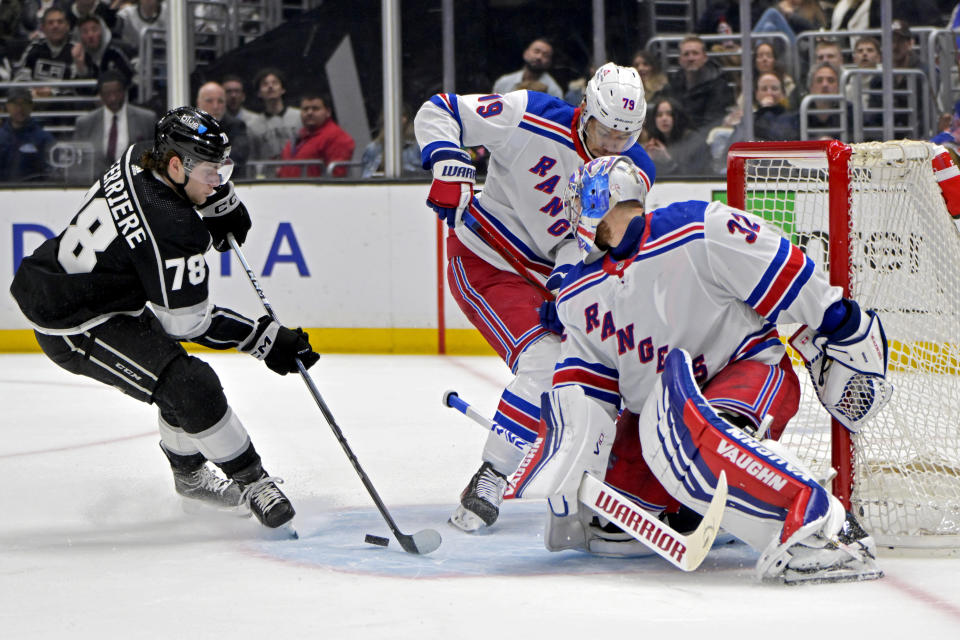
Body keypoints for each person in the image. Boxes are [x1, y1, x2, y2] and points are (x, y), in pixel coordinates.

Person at [517, 155, 888, 583]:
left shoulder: (696, 228)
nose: (574, 213)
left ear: (600, 200)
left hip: (743, 371)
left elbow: (779, 267)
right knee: (608, 524)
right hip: (657, 414)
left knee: (701, 436)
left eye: (579, 203)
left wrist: (837, 318)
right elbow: (588, 391)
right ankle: (711, 510)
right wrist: (569, 454)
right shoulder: (578, 294)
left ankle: (828, 530)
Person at [8, 106, 319, 532]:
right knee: (189, 382)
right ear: (176, 164)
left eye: (222, 169)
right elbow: (186, 324)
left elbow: (178, 196)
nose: (218, 180)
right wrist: (264, 338)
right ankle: (253, 481)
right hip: (75, 324)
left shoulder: (140, 155)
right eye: (211, 172)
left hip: (82, 289)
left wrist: (219, 203)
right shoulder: (173, 229)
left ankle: (190, 477)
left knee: (177, 378)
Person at [414, 62, 656, 532]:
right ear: (585, 109)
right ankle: (490, 476)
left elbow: (597, 237)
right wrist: (446, 159)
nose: (610, 146)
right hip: (487, 259)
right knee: (545, 360)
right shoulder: (529, 112)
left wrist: (571, 283)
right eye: (604, 131)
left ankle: (618, 475)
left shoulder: (634, 170)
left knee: (613, 370)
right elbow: (438, 110)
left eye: (623, 138)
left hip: (550, 278)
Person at [73, 69, 155, 175]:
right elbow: (78, 161)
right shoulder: (85, 123)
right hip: (97, 183)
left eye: (117, 92)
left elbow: (154, 157)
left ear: (125, 92)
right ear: (101, 95)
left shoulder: (146, 119)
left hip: (135, 182)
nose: (113, 98)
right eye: (107, 94)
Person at [277, 92, 355, 178]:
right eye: (305, 109)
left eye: (315, 109)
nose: (309, 112)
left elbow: (337, 177)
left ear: (328, 112)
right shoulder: (298, 137)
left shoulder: (338, 138)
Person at [667, 35, 735, 133]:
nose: (691, 58)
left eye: (695, 53)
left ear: (705, 57)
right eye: (686, 54)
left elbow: (712, 124)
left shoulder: (719, 85)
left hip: (704, 139)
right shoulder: (674, 83)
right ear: (680, 59)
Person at [640, 97, 707, 176]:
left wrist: (667, 161)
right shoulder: (654, 143)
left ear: (678, 116)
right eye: (659, 115)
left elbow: (692, 178)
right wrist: (646, 158)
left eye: (669, 114)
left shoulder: (694, 141)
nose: (664, 118)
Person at [0, 86, 55, 181]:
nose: (20, 108)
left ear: (31, 106)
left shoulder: (44, 139)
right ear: (7, 106)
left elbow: (51, 174)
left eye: (24, 103)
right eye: (15, 104)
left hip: (34, 192)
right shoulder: (1, 137)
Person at [196, 80, 250, 174]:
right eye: (209, 101)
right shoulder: (189, 126)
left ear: (225, 104)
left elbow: (238, 155)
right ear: (198, 103)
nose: (215, 106)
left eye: (220, 101)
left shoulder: (237, 125)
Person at [247, 67, 300, 161]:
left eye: (275, 83)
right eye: (265, 84)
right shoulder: (253, 126)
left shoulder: (299, 117)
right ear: (259, 93)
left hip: (296, 170)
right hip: (269, 173)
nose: (270, 87)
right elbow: (253, 157)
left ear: (283, 89)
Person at [14, 7, 76, 85]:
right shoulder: (34, 48)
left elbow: (77, 84)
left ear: (67, 26)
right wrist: (33, 91)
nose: (55, 26)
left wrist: (53, 92)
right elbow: (19, 77)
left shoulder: (75, 50)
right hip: (35, 95)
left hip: (65, 96)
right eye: (50, 23)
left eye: (60, 22)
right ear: (43, 28)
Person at [71, 15, 134, 85]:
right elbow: (83, 91)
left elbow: (131, 79)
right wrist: (81, 68)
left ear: (103, 31)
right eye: (85, 32)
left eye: (94, 30)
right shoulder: (78, 54)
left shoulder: (117, 50)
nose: (90, 35)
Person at [492, 37, 564, 99]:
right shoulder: (504, 82)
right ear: (525, 53)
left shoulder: (554, 92)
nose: (539, 57)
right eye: (536, 51)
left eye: (545, 55)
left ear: (550, 62)